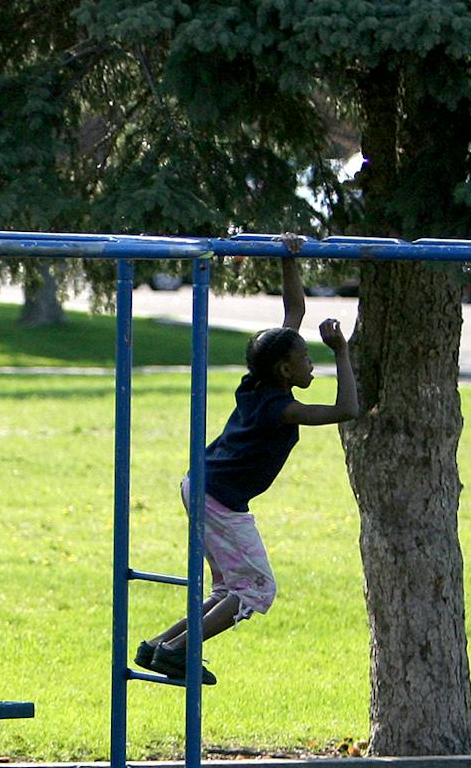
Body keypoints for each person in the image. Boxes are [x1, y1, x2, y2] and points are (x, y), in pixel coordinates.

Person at [135, 237, 359, 684]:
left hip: (202, 484)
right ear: (284, 371)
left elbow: (293, 311)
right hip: (219, 495)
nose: (311, 366)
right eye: (305, 361)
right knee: (258, 589)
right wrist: (341, 351)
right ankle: (177, 651)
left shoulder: (257, 384)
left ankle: (160, 646)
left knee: (229, 588)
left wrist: (289, 258)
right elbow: (347, 411)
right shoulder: (282, 408)